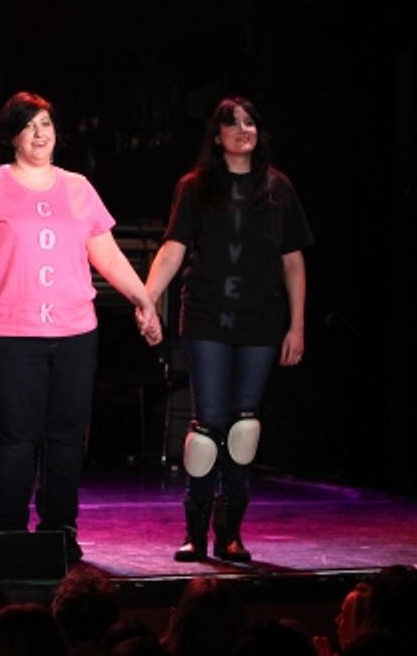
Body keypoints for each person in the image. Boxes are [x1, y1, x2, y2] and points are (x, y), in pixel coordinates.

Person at [0, 92, 161, 562]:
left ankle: (59, 530)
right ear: (12, 135)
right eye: (29, 125)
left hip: (73, 332)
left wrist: (143, 299)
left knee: (66, 437)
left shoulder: (79, 188)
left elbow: (106, 254)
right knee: (15, 436)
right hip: (6, 333)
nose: (40, 134)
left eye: (46, 124)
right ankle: (10, 532)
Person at [145, 96, 312, 563]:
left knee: (243, 428)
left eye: (250, 122)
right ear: (216, 137)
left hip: (260, 321)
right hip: (206, 317)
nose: (243, 130)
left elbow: (293, 261)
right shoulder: (195, 187)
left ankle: (231, 533)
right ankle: (195, 532)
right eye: (232, 123)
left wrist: (297, 325)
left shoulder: (278, 188)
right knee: (207, 429)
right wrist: (147, 298)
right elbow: (174, 247)